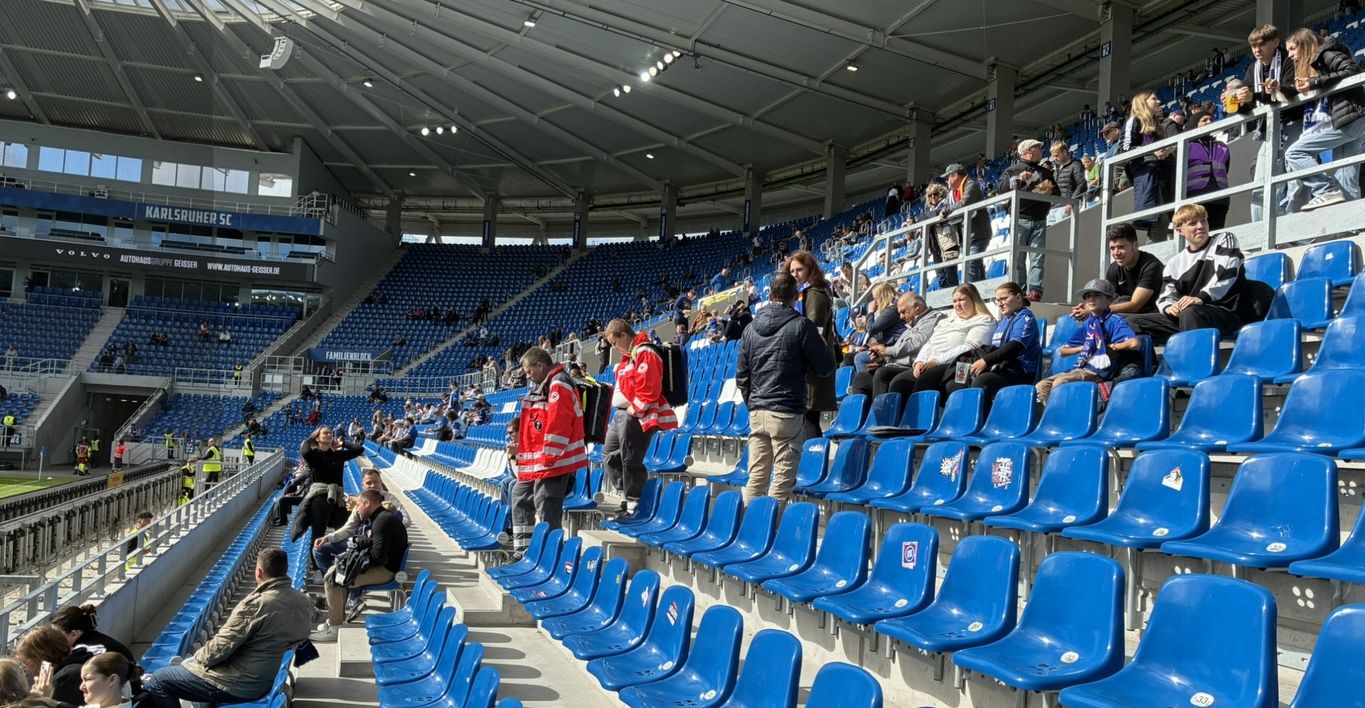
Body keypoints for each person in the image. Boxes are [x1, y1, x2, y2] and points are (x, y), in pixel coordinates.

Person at [142, 548, 313, 707]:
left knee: (159, 679)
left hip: (239, 684)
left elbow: (216, 651)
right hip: (266, 678)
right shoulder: (304, 602)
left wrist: (195, 660)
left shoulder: (256, 605)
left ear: (259, 572)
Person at [736, 272, 835, 505]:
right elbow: (825, 368)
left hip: (757, 412)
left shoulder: (750, 329)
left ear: (770, 295)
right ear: (796, 296)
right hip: (786, 411)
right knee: (782, 480)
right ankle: (769, 534)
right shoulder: (802, 326)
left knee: (756, 477)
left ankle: (751, 530)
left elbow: (742, 374)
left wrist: (753, 402)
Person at [1126, 203, 1269, 344]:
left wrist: (1201, 297)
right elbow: (1165, 297)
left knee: (1191, 313)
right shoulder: (1174, 262)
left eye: (1203, 220)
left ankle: (1194, 366)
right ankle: (1144, 366)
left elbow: (1226, 274)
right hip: (1190, 317)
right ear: (1180, 230)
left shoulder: (1224, 239)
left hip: (1228, 312)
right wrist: (1170, 307)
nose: (1200, 226)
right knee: (1128, 321)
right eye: (1193, 223)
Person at [507, 346, 583, 555]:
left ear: (540, 365)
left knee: (546, 506)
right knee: (519, 494)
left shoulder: (558, 384)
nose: (528, 377)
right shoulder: (544, 385)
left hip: (553, 461)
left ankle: (551, 554)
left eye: (529, 371)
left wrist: (550, 456)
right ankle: (523, 551)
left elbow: (559, 423)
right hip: (537, 461)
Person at [309, 490, 410, 642]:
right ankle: (335, 620)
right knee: (334, 571)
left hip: (386, 572)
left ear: (367, 503)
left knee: (332, 578)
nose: (356, 509)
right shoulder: (380, 518)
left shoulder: (382, 521)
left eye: (358, 505)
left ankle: (336, 627)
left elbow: (378, 558)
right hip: (385, 567)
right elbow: (376, 548)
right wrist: (362, 543)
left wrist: (356, 553)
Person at [1283, 27, 1365, 211]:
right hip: (1352, 118)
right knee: (1347, 180)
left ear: (1304, 45)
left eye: (1292, 49)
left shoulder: (1326, 53)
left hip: (1350, 117)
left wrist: (1314, 82)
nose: (1289, 55)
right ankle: (1351, 230)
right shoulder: (1320, 60)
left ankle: (1325, 189)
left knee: (1294, 153)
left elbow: (1352, 70)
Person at [602, 320, 677, 518]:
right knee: (609, 454)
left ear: (624, 335)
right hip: (621, 414)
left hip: (636, 415)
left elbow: (649, 386)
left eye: (614, 342)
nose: (613, 347)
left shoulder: (645, 351)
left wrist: (635, 410)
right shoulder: (628, 357)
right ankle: (630, 495)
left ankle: (634, 504)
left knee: (631, 459)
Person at [1230, 24, 1300, 221]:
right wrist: (1238, 100)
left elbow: (1288, 93)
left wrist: (1256, 95)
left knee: (1295, 180)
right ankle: (1261, 232)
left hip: (1293, 123)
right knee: (1261, 185)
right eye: (1253, 46)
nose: (1257, 51)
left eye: (1261, 45)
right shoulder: (1253, 69)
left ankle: (1295, 229)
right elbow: (1246, 108)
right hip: (1268, 130)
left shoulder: (1288, 61)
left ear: (1276, 43)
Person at [1035, 279, 1140, 404]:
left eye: (1097, 295)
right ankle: (1054, 417)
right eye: (1087, 296)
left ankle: (1065, 417)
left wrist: (1110, 346)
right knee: (1042, 386)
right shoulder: (1088, 324)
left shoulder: (1114, 320)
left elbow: (1134, 343)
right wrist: (1084, 347)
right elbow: (1063, 351)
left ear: (1109, 301)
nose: (1091, 299)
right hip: (1082, 368)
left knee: (1061, 382)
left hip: (1099, 371)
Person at [890, 284, 996, 400]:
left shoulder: (984, 321)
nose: (957, 305)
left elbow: (969, 348)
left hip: (960, 364)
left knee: (928, 379)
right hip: (930, 364)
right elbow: (930, 343)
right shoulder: (946, 322)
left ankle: (922, 417)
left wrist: (936, 361)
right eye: (955, 301)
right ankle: (897, 416)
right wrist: (919, 361)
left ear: (973, 299)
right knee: (899, 382)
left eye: (961, 300)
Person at [946, 282, 1041, 408]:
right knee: (954, 382)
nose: (1000, 303)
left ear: (1018, 298)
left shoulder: (1025, 318)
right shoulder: (1004, 320)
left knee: (982, 381)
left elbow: (1014, 346)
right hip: (1000, 366)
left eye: (1004, 298)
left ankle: (982, 422)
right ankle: (963, 419)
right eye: (998, 300)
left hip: (1019, 370)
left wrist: (985, 361)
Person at [849, 292, 946, 399]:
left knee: (883, 374)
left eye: (904, 312)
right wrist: (882, 359)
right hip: (895, 366)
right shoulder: (911, 325)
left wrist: (885, 351)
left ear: (917, 307)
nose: (901, 317)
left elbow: (916, 343)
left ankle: (883, 413)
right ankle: (866, 414)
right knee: (860, 379)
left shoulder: (933, 318)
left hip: (912, 368)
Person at [785, 251, 840, 439]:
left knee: (809, 417)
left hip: (813, 363)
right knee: (805, 417)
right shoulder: (802, 293)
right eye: (791, 271)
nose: (794, 274)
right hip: (807, 361)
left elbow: (813, 330)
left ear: (811, 270)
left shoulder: (814, 293)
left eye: (799, 270)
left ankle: (812, 463)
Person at [996, 139, 1058, 300]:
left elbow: (1057, 193)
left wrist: (1044, 189)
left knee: (1038, 257)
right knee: (1018, 258)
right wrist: (1018, 179)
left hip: (1040, 219)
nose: (1042, 151)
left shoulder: (1045, 171)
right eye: (1039, 148)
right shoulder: (1012, 170)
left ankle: (1035, 291)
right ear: (1029, 151)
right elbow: (1001, 189)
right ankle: (1019, 292)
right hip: (1019, 219)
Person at [291, 426, 366, 548]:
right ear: (317, 438)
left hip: (337, 497)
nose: (329, 435)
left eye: (331, 433)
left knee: (343, 530)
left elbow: (359, 449)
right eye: (325, 433)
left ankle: (342, 558)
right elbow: (304, 448)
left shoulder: (338, 455)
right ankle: (316, 563)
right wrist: (311, 440)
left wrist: (343, 443)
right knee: (318, 535)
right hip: (320, 498)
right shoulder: (314, 455)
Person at [1121, 91, 1178, 239]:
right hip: (1147, 176)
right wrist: (1152, 152)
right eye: (1154, 99)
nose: (1158, 102)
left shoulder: (1158, 125)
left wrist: (1168, 150)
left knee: (1164, 219)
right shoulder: (1133, 121)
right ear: (1142, 103)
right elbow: (1125, 149)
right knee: (1158, 218)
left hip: (1163, 174)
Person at [1092, 223, 1166, 319]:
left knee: (1119, 320)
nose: (1116, 253)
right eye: (1112, 248)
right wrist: (1088, 307)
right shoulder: (1113, 268)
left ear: (1135, 246)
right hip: (1128, 314)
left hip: (1152, 315)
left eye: (1121, 247)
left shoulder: (1152, 266)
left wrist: (1098, 310)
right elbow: (1108, 301)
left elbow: (1135, 305)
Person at [942, 163, 994, 283]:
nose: (946, 181)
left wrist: (947, 210)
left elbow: (965, 203)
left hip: (978, 234)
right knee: (976, 266)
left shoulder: (971, 185)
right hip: (967, 236)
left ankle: (970, 295)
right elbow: (946, 206)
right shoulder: (953, 193)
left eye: (948, 177)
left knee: (970, 264)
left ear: (955, 176)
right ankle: (981, 295)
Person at [12, 626, 91, 706]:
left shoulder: (62, 680)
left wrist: (39, 700)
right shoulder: (85, 661)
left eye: (26, 663)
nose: (26, 669)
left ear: (41, 657)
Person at [1184, 111, 1232, 228]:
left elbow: (1226, 168)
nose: (1209, 122)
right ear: (1195, 124)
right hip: (1195, 197)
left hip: (1220, 199)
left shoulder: (1222, 146)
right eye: (1204, 120)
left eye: (1211, 119)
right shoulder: (1186, 145)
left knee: (1216, 234)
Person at [50, 604, 134, 666]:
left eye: (57, 634)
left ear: (74, 634)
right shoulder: (97, 638)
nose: (52, 637)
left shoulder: (86, 652)